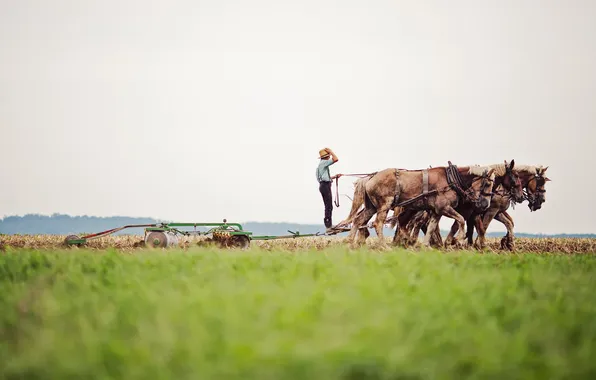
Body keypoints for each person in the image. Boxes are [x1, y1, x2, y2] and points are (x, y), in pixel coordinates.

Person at [316, 147, 341, 231]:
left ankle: (328, 224)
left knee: (328, 205)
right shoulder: (324, 162)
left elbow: (323, 178)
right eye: (329, 155)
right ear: (326, 156)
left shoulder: (320, 165)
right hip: (325, 186)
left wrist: (333, 177)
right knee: (328, 206)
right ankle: (328, 226)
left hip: (323, 185)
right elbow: (336, 159)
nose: (330, 157)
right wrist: (331, 151)